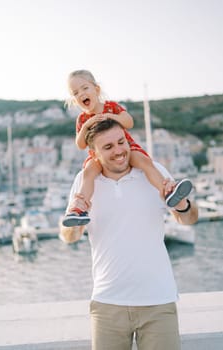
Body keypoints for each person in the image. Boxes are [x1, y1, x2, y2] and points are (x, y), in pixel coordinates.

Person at [60, 119, 198, 350]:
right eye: (108, 147)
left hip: (158, 301)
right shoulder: (85, 182)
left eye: (121, 142)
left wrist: (183, 206)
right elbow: (69, 237)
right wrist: (73, 224)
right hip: (107, 303)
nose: (119, 151)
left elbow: (190, 218)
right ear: (94, 154)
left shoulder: (154, 172)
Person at [62, 69, 192, 227]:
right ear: (74, 100)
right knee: (89, 172)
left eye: (85, 88)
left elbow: (129, 122)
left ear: (96, 90)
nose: (81, 94)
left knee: (144, 162)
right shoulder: (82, 119)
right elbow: (81, 144)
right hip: (98, 155)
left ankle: (167, 191)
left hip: (128, 147)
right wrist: (86, 126)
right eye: (75, 93)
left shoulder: (111, 107)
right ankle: (79, 208)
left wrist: (112, 117)